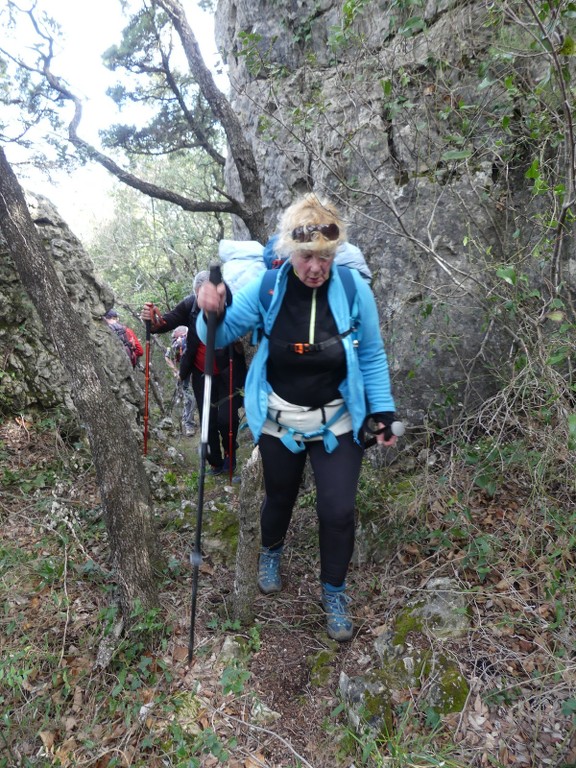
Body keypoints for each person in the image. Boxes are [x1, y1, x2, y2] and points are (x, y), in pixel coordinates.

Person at [195, 193, 398, 641]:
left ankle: (334, 592)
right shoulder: (268, 287)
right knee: (279, 498)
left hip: (337, 420)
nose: (315, 268)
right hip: (279, 422)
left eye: (324, 258)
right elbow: (223, 333)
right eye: (307, 257)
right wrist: (211, 309)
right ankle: (270, 551)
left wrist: (382, 412)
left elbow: (373, 357)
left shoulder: (351, 289)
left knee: (339, 510)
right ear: (290, 252)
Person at [141, 272, 247, 475]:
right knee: (208, 421)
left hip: (228, 371)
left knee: (227, 420)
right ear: (196, 294)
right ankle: (215, 463)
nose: (206, 301)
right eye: (201, 296)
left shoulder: (229, 302)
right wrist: (152, 320)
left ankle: (230, 459)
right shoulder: (190, 305)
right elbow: (166, 322)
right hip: (201, 372)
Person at [165, 326, 197, 437]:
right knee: (190, 399)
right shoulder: (179, 343)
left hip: (191, 374)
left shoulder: (185, 340)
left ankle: (186, 421)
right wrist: (176, 371)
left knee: (190, 399)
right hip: (185, 376)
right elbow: (167, 357)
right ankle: (189, 425)